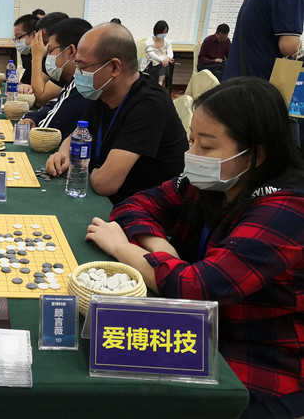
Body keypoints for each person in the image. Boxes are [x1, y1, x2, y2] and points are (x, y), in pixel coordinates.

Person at [85, 78, 304, 419]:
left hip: (261, 358)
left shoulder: (286, 209)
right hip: (196, 326)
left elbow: (196, 287)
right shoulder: (212, 181)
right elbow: (132, 206)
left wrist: (123, 248)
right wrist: (160, 249)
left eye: (207, 145)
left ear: (256, 155)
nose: (192, 155)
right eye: (191, 140)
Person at [46, 22, 188, 204]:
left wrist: (84, 169)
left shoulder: (149, 105)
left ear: (114, 67)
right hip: (110, 199)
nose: (77, 73)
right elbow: (79, 134)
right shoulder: (102, 93)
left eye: (82, 66)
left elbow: (105, 184)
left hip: (145, 210)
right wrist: (64, 155)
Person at [19, 18, 92, 140]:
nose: (47, 56)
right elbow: (56, 104)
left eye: (50, 50)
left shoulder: (83, 85)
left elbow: (44, 131)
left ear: (71, 51)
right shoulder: (74, 79)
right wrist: (33, 118)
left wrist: (37, 57)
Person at [29, 11, 71, 107]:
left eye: (45, 43)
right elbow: (34, 88)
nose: (40, 46)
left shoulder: (66, 65)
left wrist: (36, 57)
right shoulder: (53, 64)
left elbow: (39, 99)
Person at [140, 20, 174, 89]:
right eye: (162, 32)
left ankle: (160, 86)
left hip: (163, 64)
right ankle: (159, 86)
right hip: (150, 65)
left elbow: (170, 53)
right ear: (157, 31)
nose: (164, 34)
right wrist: (164, 60)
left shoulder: (167, 42)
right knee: (164, 66)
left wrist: (167, 58)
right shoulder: (149, 42)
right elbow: (152, 55)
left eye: (165, 32)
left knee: (165, 66)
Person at [13, 14, 38, 88]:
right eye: (15, 39)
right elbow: (23, 84)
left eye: (19, 37)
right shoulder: (30, 56)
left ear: (34, 34)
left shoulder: (45, 59)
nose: (17, 42)